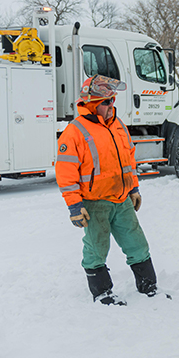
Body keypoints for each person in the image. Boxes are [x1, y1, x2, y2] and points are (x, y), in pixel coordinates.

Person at [56, 75, 161, 306]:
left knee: (137, 243)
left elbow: (128, 160)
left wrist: (133, 187)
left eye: (113, 100)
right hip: (95, 203)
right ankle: (102, 292)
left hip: (122, 200)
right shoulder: (75, 132)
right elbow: (65, 173)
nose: (111, 105)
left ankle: (149, 286)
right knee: (96, 248)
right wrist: (75, 205)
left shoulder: (118, 125)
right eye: (106, 102)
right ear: (91, 103)